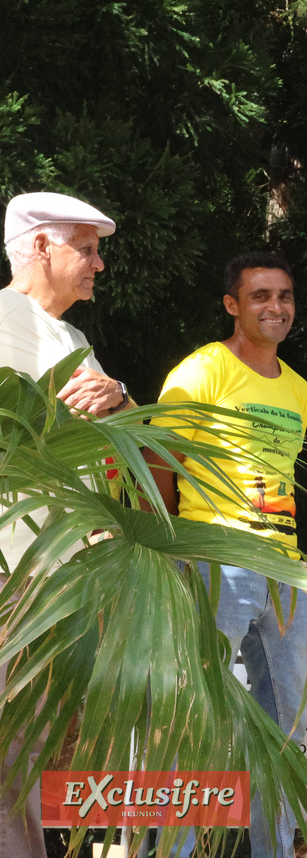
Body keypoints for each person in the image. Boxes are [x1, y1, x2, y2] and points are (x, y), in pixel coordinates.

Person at [148, 252, 307, 856]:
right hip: (213, 557)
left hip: (284, 569)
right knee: (193, 718)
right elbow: (158, 460)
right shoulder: (201, 370)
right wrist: (167, 552)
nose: (276, 308)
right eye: (261, 296)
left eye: (285, 296)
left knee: (285, 730)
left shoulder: (298, 388)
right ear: (232, 306)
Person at [0, 191, 133, 858]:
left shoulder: (74, 339)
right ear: (42, 246)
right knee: (12, 764)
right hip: (14, 578)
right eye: (86, 247)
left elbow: (131, 438)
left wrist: (118, 394)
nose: (98, 264)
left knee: (53, 762)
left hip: (72, 584)